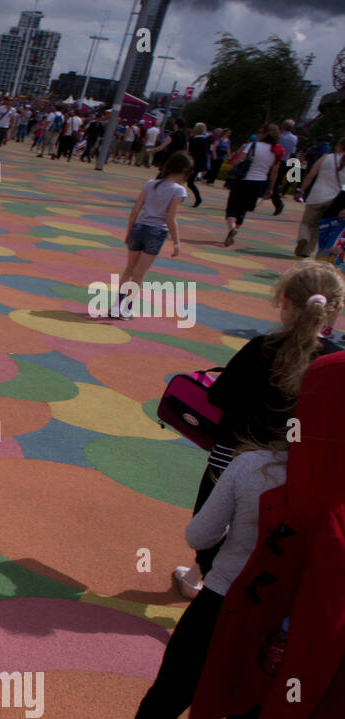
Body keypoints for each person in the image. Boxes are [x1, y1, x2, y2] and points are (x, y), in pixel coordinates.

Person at [94, 266, 345, 719]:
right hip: (286, 633)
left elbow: (200, 532)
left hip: (226, 599)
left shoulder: (255, 469)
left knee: (171, 689)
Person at [173, 261, 343, 597]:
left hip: (234, 456)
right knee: (267, 535)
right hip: (295, 470)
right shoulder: (335, 362)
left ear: (284, 304)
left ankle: (205, 580)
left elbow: (220, 397)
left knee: (211, 525)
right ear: (334, 311)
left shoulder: (260, 348)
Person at [115, 152, 191, 319]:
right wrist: (177, 242)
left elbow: (134, 210)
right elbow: (171, 219)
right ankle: (126, 308)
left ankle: (116, 305)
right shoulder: (178, 190)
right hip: (156, 232)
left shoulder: (150, 184)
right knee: (139, 274)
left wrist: (129, 232)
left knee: (129, 270)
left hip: (139, 228)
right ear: (183, 171)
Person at [223, 124, 284, 248]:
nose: (258, 134)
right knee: (243, 209)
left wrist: (233, 163)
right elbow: (274, 172)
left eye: (260, 131)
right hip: (260, 182)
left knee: (233, 206)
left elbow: (240, 160)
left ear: (266, 133)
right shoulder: (276, 151)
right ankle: (236, 230)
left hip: (244, 180)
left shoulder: (253, 145)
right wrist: (270, 188)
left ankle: (232, 228)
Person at [294, 135, 345, 258]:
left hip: (316, 195)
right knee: (319, 226)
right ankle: (308, 250)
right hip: (335, 200)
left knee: (307, 222)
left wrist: (302, 190)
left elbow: (311, 175)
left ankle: (303, 238)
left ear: (339, 145)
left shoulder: (326, 158)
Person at [271, 119, 298, 216]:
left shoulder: (280, 137)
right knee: (276, 183)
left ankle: (278, 203)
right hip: (285, 162)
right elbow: (293, 151)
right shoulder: (294, 138)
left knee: (270, 182)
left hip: (277, 161)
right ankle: (277, 202)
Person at [186, 123, 210, 206]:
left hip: (193, 164)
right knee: (190, 182)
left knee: (189, 182)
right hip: (199, 164)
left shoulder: (194, 140)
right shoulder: (205, 141)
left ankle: (198, 199)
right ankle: (197, 198)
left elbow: (191, 153)